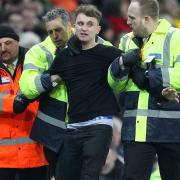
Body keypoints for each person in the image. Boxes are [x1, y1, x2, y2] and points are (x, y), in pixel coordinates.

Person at [48, 4, 141, 180]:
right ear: (74, 26)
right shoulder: (63, 57)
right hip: (72, 127)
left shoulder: (110, 53)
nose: (84, 28)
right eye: (81, 23)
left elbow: (134, 71)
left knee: (89, 175)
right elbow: (48, 82)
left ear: (98, 29)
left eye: (90, 24)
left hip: (99, 126)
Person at [19, 7, 113, 178]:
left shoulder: (100, 45)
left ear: (70, 26)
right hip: (54, 130)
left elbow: (114, 78)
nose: (55, 35)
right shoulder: (39, 52)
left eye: (58, 30)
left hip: (89, 123)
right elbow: (27, 87)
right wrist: (54, 78)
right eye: (50, 32)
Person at [108, 0, 180, 179]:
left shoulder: (175, 37)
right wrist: (121, 64)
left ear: (146, 18)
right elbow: (116, 84)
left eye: (132, 18)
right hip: (136, 131)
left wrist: (146, 76)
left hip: (171, 131)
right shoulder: (126, 40)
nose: (127, 22)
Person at [0, 25, 48, 180]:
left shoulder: (34, 64)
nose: (3, 48)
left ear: (17, 42)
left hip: (35, 152)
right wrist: (11, 103)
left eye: (8, 43)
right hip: (3, 158)